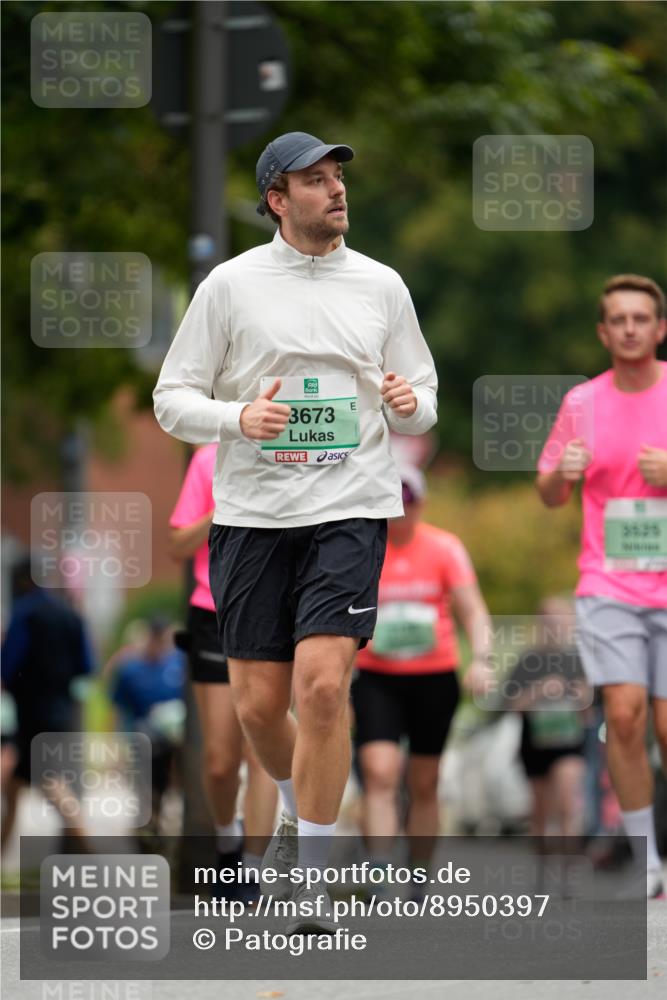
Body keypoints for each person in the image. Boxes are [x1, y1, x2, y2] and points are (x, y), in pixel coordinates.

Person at [153, 131, 438, 932]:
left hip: (348, 507)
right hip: (252, 518)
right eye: (314, 181)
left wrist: (411, 404)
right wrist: (238, 417)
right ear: (277, 199)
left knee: (320, 688)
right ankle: (288, 804)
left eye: (338, 177)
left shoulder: (381, 286)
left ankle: (311, 880)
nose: (336, 191)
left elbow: (423, 386)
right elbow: (172, 398)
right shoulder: (230, 286)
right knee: (255, 707)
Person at [536, 274, 667, 899]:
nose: (632, 328)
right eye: (619, 319)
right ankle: (646, 859)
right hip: (609, 586)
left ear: (660, 328)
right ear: (603, 331)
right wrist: (562, 474)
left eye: (642, 318)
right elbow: (549, 492)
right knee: (624, 712)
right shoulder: (582, 402)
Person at [352, 466, 492, 895]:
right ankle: (377, 869)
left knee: (424, 780)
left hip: (434, 675)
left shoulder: (445, 548)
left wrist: (482, 659)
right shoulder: (363, 549)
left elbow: (473, 610)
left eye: (408, 504)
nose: (401, 513)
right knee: (379, 771)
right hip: (377, 676)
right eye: (393, 504)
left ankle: (419, 870)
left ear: (421, 504)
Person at [168, 442, 277, 900]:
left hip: (272, 608)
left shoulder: (290, 451)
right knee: (219, 762)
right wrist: (222, 509)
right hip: (212, 614)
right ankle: (228, 841)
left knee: (262, 752)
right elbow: (176, 544)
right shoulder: (208, 457)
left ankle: (252, 869)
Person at [1, 558, 94, 854]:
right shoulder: (70, 615)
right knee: (13, 786)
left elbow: (8, 665)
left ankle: (93, 851)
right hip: (61, 710)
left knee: (50, 782)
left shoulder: (25, 613)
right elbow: (86, 666)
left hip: (32, 714)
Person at [503, 597, 589, 843]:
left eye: (560, 620)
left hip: (569, 741)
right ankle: (543, 872)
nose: (555, 626)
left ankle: (567, 872)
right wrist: (539, 691)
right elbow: (511, 705)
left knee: (567, 802)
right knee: (540, 810)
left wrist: (577, 694)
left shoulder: (580, 660)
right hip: (536, 742)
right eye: (549, 620)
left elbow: (592, 705)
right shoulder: (527, 662)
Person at [110, 617, 185, 837]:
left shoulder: (178, 663)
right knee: (149, 789)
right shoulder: (130, 670)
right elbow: (117, 709)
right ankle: (149, 829)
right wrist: (116, 747)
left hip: (178, 739)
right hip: (145, 738)